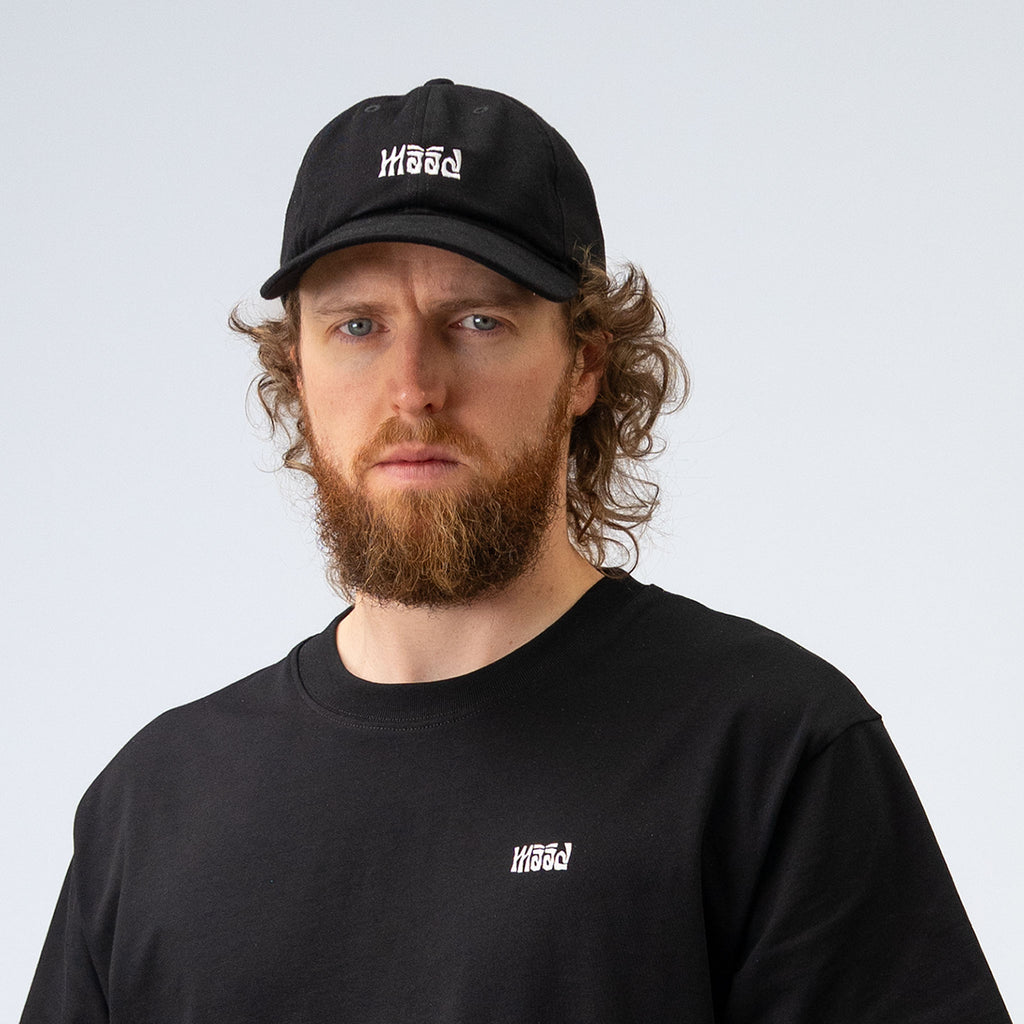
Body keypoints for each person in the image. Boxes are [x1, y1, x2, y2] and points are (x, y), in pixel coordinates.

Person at [21, 79, 1010, 1023]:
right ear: (296, 368)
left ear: (583, 363)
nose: (412, 387)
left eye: (477, 321)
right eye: (358, 326)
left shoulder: (763, 749)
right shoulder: (153, 807)